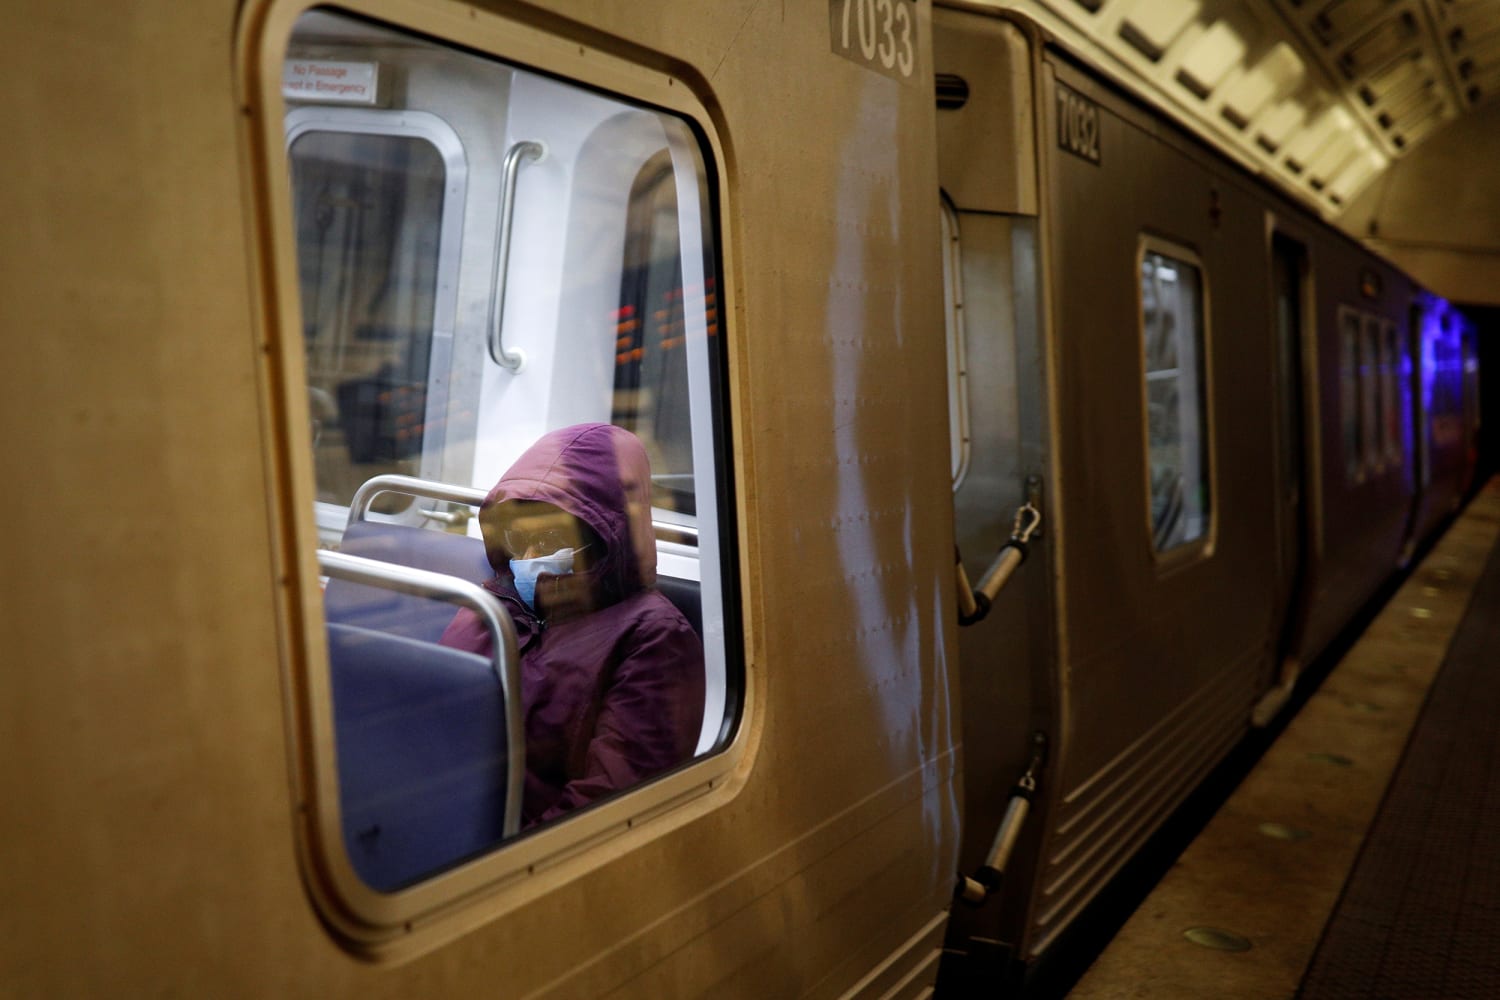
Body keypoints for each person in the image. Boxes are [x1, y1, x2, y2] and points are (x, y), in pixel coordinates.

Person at [440, 423, 705, 828]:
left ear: (604, 536)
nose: (527, 556)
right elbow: (427, 720)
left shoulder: (652, 637)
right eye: (518, 538)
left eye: (550, 538)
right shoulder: (494, 602)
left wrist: (495, 860)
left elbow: (610, 803)